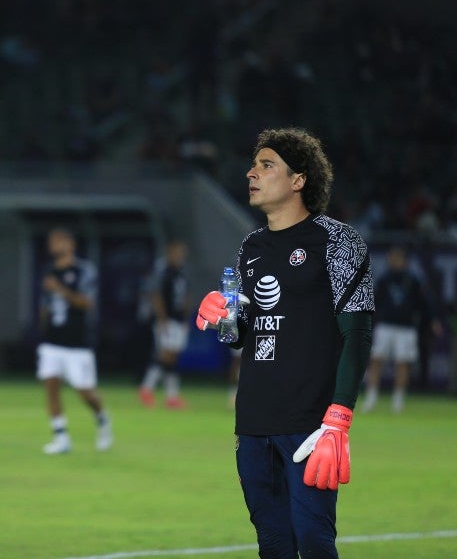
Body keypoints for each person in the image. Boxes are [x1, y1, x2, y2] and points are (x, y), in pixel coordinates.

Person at [196, 128, 374, 558]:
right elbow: (244, 336)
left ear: (299, 180)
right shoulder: (251, 247)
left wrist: (339, 418)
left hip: (311, 422)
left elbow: (358, 333)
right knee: (273, 544)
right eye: (254, 165)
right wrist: (225, 318)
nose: (251, 173)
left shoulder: (338, 241)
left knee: (313, 541)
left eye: (266, 165)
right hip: (254, 418)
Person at [37, 227, 112, 455]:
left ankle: (102, 419)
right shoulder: (49, 271)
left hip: (78, 343)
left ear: (70, 244)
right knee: (51, 387)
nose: (54, 245)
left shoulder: (84, 271)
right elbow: (45, 305)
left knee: (85, 392)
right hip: (52, 342)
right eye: (52, 241)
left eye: (59, 240)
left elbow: (87, 303)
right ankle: (61, 438)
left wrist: (60, 289)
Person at [362, 246, 440, 413]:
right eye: (391, 257)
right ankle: (371, 397)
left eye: (396, 258)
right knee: (376, 360)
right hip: (385, 326)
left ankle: (398, 399)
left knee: (402, 364)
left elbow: (425, 304)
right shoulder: (385, 279)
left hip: (406, 328)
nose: (393, 261)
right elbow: (373, 300)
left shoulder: (413, 281)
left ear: (404, 261)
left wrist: (433, 320)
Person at [139, 240, 191, 410]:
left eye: (182, 253)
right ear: (169, 253)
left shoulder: (181, 273)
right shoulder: (163, 272)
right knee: (165, 354)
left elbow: (185, 296)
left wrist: (186, 317)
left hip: (178, 320)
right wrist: (161, 319)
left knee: (172, 356)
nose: (180, 256)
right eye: (177, 252)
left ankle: (170, 396)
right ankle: (148, 389)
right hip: (166, 320)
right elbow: (156, 295)